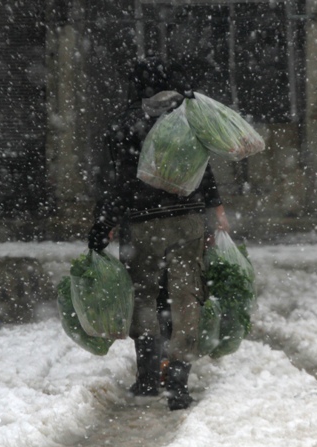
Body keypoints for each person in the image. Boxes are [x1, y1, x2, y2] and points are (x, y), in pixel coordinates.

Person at [87, 55, 229, 411]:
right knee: (186, 299)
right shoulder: (188, 120)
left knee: (143, 296)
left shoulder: (124, 124)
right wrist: (213, 213)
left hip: (142, 223)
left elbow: (116, 181)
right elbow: (204, 171)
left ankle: (149, 376)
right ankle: (178, 381)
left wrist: (103, 223)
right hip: (187, 220)